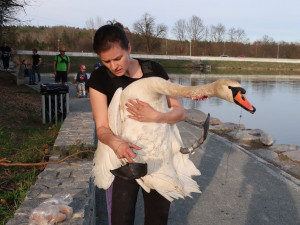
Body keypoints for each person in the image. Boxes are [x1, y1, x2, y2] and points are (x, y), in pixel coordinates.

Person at [87, 23, 185, 225]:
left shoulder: (154, 70)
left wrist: (157, 116)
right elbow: (102, 128)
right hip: (122, 160)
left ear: (128, 48)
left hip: (158, 158)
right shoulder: (99, 79)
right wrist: (116, 143)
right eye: (106, 61)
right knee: (121, 219)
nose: (114, 66)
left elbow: (180, 112)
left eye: (118, 58)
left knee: (158, 219)